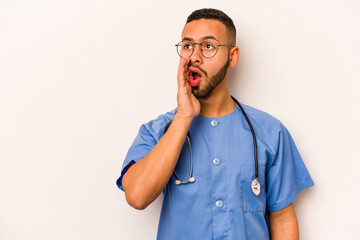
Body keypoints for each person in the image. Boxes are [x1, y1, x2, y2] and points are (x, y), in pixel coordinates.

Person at [116, 8, 314, 240]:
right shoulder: (157, 131)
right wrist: (183, 116)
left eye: (208, 46)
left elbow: (282, 219)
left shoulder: (270, 133)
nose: (195, 56)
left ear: (232, 56)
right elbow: (137, 197)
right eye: (188, 46)